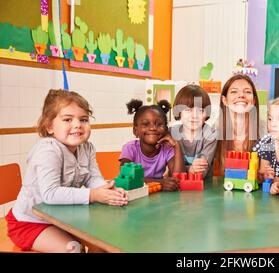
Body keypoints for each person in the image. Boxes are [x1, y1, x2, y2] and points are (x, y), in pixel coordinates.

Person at [6, 89, 128, 253]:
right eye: (67, 119)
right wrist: (93, 195)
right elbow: (50, 193)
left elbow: (93, 178)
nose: (77, 124)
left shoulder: (87, 147)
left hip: (64, 218)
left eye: (83, 119)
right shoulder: (47, 150)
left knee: (103, 244)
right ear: (49, 126)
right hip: (30, 222)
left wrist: (108, 190)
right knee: (73, 249)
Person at [120, 99, 184, 191]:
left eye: (159, 124)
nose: (153, 128)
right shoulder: (130, 148)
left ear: (166, 129)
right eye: (146, 124)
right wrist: (160, 183)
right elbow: (127, 177)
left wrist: (176, 145)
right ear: (135, 131)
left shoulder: (167, 149)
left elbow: (178, 178)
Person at [214, 74, 265, 176]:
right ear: (224, 100)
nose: (241, 95)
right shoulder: (213, 133)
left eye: (247, 92)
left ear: (254, 100)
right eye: (234, 91)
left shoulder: (267, 132)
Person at [170, 84, 217, 178]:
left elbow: (201, 173)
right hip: (176, 186)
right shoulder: (171, 134)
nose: (194, 116)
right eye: (188, 110)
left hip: (204, 187)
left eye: (200, 111)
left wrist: (184, 170)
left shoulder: (211, 134)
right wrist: (190, 169)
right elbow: (169, 169)